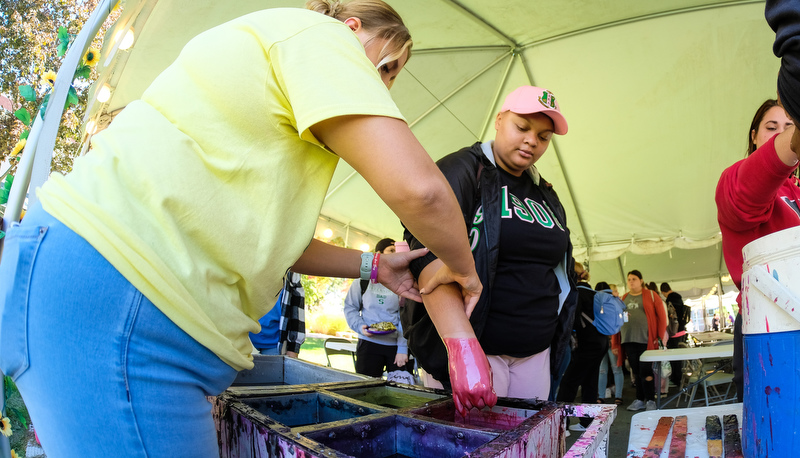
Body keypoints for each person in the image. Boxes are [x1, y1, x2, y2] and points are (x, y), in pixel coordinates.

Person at [0, 2, 484, 456]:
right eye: (388, 65)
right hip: (122, 301)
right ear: (353, 28)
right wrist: (463, 270)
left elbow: (277, 244)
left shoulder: (271, 70)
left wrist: (375, 266)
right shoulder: (322, 37)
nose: (386, 84)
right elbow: (423, 192)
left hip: (100, 292)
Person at [402, 85, 578, 412]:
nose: (531, 141)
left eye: (543, 136)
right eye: (522, 127)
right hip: (479, 350)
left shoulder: (546, 192)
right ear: (499, 120)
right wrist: (461, 349)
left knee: (525, 444)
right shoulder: (463, 169)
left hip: (535, 353)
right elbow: (426, 260)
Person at [716, 97, 800, 403]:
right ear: (754, 135)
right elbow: (744, 198)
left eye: (790, 126)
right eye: (771, 127)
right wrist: (791, 142)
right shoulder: (734, 179)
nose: (781, 134)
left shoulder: (797, 189)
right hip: (769, 328)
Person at [344, 238, 414, 382]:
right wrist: (360, 326)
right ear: (378, 254)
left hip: (396, 347)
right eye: (391, 251)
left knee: (400, 393)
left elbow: (406, 315)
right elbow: (350, 307)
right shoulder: (362, 281)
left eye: (397, 251)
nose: (395, 255)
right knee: (365, 390)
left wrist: (402, 348)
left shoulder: (403, 280)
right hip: (368, 344)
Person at [556, 264, 608, 432]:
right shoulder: (595, 293)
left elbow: (573, 320)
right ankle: (587, 422)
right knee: (589, 381)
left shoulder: (577, 293)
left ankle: (562, 425)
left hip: (587, 344)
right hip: (601, 342)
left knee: (568, 383)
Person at [611, 270, 667, 412]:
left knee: (646, 371)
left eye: (634, 279)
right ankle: (639, 399)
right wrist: (615, 343)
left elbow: (662, 318)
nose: (631, 281)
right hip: (628, 339)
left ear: (641, 280)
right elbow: (617, 320)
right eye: (629, 279)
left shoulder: (651, 296)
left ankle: (650, 400)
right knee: (636, 371)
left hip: (646, 340)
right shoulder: (624, 298)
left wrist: (659, 337)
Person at [250, 271, 305, 357]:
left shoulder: (290, 270)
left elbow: (297, 304)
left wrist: (293, 348)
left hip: (275, 345)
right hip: (242, 340)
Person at [596, 282, 624, 406]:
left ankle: (618, 395)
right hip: (603, 340)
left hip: (612, 340)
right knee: (603, 370)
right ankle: (601, 395)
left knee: (616, 369)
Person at [660, 282, 687, 386]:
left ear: (663, 292)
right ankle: (679, 378)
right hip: (682, 331)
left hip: (674, 333)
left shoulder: (669, 301)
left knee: (674, 357)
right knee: (679, 356)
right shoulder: (679, 297)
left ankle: (676, 379)